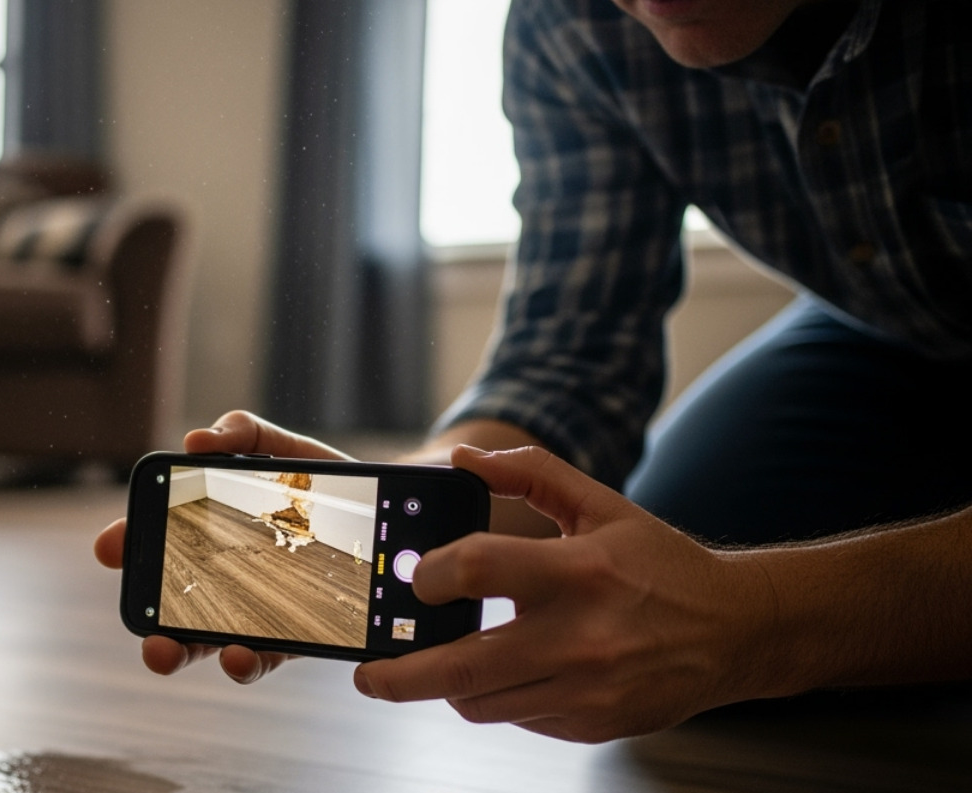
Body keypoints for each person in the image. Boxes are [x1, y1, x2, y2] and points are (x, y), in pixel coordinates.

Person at [95, 0, 972, 742]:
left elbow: (747, 619)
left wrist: (765, 625)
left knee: (720, 612)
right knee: (686, 548)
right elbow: (567, 364)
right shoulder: (568, 25)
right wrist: (391, 497)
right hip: (884, 326)